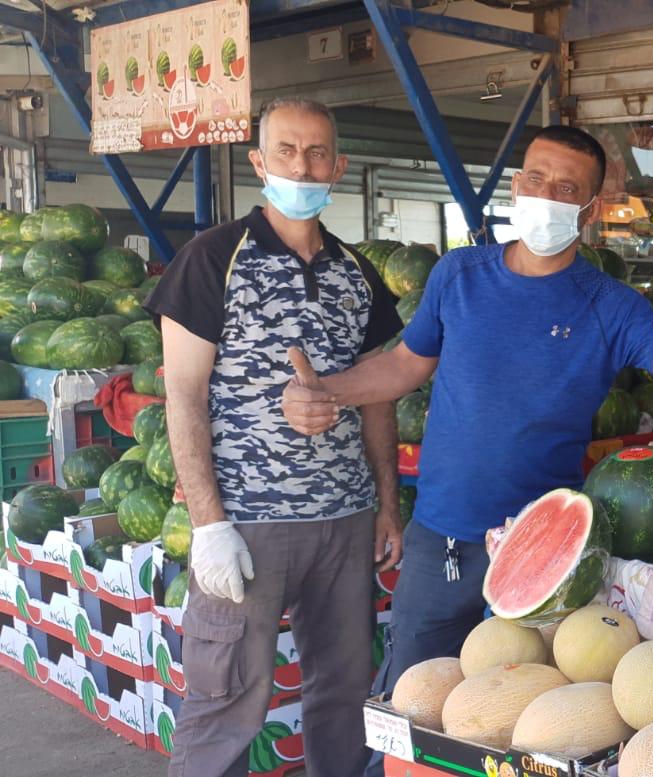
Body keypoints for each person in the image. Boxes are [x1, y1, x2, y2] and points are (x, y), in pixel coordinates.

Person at [277, 126, 653, 765]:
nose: (546, 195)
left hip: (549, 556)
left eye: (567, 188)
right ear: (517, 184)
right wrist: (329, 390)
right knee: (412, 723)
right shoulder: (457, 275)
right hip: (443, 543)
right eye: (536, 179)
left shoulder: (608, 304)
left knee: (527, 733)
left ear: (591, 210)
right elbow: (406, 365)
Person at [149, 97, 405, 777]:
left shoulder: (358, 275)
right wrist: (208, 524)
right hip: (249, 523)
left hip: (344, 521)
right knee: (226, 699)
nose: (303, 164)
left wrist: (386, 504)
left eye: (317, 151)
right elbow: (183, 393)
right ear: (259, 161)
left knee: (345, 696)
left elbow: (379, 398)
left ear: (339, 166)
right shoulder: (211, 260)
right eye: (286, 151)